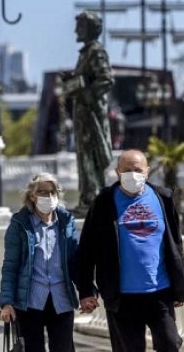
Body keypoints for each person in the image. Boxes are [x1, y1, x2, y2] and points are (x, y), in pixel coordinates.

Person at [75, 149, 184, 352]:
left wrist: (180, 287)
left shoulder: (163, 198)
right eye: (126, 170)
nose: (132, 174)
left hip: (159, 292)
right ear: (118, 172)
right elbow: (86, 250)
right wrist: (86, 291)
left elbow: (175, 245)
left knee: (170, 343)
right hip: (122, 297)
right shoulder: (104, 202)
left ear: (147, 171)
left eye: (137, 169)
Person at [0, 173, 79, 352]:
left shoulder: (66, 222)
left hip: (61, 300)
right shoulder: (20, 224)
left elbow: (75, 262)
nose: (48, 196)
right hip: (30, 301)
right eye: (42, 192)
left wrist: (88, 292)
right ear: (32, 196)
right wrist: (7, 302)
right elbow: (10, 266)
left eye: (52, 192)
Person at [62, 11, 114, 217]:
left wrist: (86, 93)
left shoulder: (96, 52)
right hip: (84, 114)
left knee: (92, 156)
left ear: (89, 29)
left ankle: (94, 198)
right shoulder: (86, 53)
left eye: (80, 27)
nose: (76, 30)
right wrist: (74, 80)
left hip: (91, 115)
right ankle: (87, 198)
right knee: (84, 157)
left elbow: (106, 79)